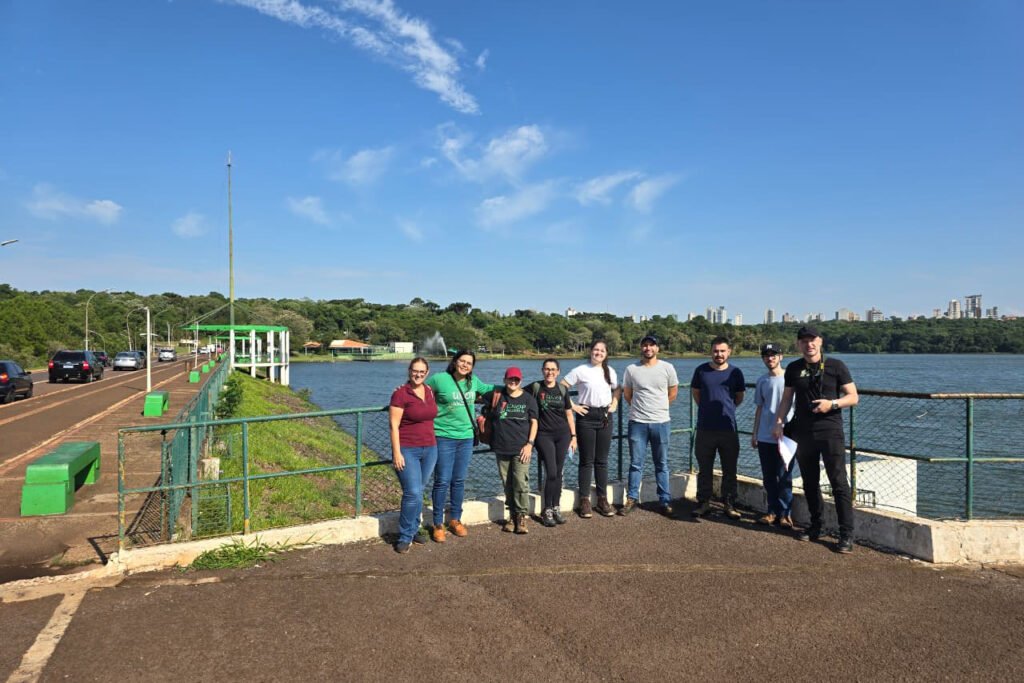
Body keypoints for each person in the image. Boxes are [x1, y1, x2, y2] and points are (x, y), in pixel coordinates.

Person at [772, 326, 859, 554]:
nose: (808, 344)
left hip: (830, 431)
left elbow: (853, 396)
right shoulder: (793, 368)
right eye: (804, 341)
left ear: (820, 342)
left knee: (838, 482)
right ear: (798, 344)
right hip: (803, 432)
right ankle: (817, 526)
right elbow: (786, 399)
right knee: (810, 481)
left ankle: (846, 534)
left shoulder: (836, 366)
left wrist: (832, 404)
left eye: (812, 340)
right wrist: (779, 422)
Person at [426, 350, 496, 543]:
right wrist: (403, 390)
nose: (465, 365)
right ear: (455, 361)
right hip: (443, 436)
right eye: (462, 361)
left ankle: (455, 519)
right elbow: (419, 391)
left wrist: (516, 387)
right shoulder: (440, 379)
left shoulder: (473, 382)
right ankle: (438, 523)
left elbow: (492, 388)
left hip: (465, 437)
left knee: (459, 480)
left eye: (469, 363)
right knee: (442, 480)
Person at [620, 334, 679, 516]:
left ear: (657, 348)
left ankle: (664, 500)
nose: (648, 348)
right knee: (636, 464)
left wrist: (658, 409)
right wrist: (641, 410)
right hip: (637, 423)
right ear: (641, 348)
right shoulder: (631, 369)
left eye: (651, 345)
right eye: (645, 345)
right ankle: (631, 499)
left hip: (661, 423)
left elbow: (673, 392)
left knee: (661, 464)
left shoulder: (667, 368)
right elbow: (628, 394)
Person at [561, 339, 620, 518]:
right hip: (586, 416)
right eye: (596, 349)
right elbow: (562, 386)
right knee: (586, 460)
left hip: (604, 417)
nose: (598, 353)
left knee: (602, 460)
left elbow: (618, 389)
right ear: (590, 351)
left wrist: (615, 402)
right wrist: (573, 406)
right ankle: (585, 500)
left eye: (602, 350)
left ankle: (602, 499)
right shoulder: (581, 370)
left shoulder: (610, 371)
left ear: (606, 354)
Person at [690, 336, 745, 519]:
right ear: (711, 351)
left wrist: (727, 409)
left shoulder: (735, 373)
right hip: (705, 428)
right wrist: (707, 409)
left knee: (730, 469)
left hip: (728, 428)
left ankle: (729, 504)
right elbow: (696, 394)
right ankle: (703, 503)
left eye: (722, 351)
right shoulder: (701, 371)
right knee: (704, 468)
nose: (719, 354)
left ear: (729, 352)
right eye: (716, 351)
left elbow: (739, 397)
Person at [388, 357, 438, 553]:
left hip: (430, 448)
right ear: (409, 371)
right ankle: (405, 535)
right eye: (414, 371)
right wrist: (397, 453)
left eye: (422, 372)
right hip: (408, 449)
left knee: (419, 490)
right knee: (412, 492)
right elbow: (393, 426)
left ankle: (414, 528)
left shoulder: (429, 391)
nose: (418, 374)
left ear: (427, 373)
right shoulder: (401, 394)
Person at [483, 367, 539, 534]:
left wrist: (530, 444)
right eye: (510, 379)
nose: (513, 382)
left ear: (520, 381)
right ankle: (512, 514)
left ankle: (521, 516)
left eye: (516, 379)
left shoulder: (528, 399)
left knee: (520, 482)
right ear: (504, 380)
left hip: (521, 448)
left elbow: (534, 422)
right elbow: (473, 394)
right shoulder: (498, 396)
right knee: (507, 483)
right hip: (501, 446)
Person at [527, 359, 576, 527]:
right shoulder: (535, 387)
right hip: (543, 435)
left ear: (558, 372)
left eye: (553, 369)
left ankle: (556, 507)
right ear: (542, 370)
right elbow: (516, 393)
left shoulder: (562, 389)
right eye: (547, 369)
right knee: (552, 472)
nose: (550, 372)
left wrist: (574, 436)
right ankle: (546, 509)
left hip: (563, 434)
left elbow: (569, 414)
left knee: (559, 471)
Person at [751, 343, 795, 528]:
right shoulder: (762, 381)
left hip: (787, 436)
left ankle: (785, 514)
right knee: (768, 476)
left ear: (781, 357)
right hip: (765, 435)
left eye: (773, 355)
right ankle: (771, 511)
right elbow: (760, 408)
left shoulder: (790, 380)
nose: (770, 358)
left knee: (785, 475)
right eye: (766, 356)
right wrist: (755, 432)